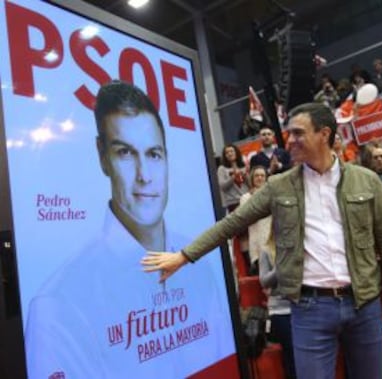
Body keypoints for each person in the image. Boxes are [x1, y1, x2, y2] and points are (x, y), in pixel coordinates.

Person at [142, 102, 382, 379]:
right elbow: (231, 224)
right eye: (289, 133)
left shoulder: (366, 181)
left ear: (324, 134)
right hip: (310, 309)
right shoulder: (278, 185)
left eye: (298, 133)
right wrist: (183, 256)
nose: (290, 141)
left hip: (364, 305)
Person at [25, 80, 233, 378]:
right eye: (125, 153)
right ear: (102, 157)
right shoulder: (57, 308)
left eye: (153, 154)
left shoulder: (200, 266)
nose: (144, 176)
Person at [259, 225, 296, 379]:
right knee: (291, 355)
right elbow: (264, 281)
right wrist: (280, 267)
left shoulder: (297, 247)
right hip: (280, 311)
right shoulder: (267, 250)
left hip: (301, 307)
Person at [240, 165, 272, 275]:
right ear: (252, 179)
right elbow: (247, 218)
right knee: (266, 280)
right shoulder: (246, 197)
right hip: (257, 244)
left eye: (262, 175)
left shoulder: (273, 194)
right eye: (257, 176)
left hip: (274, 243)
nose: (260, 178)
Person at [217, 144, 249, 212]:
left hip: (246, 199)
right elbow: (222, 186)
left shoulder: (244, 167)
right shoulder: (222, 169)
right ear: (224, 156)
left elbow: (251, 184)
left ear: (236, 153)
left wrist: (245, 176)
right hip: (232, 203)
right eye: (227, 152)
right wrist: (233, 177)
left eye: (231, 151)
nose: (230, 154)